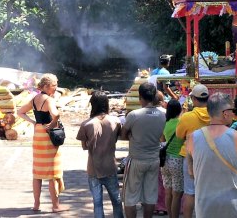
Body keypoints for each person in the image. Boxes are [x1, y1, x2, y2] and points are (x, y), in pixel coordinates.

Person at [186, 93, 237, 217]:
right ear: (225, 113)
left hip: (205, 204)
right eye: (233, 110)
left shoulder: (192, 138)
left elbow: (191, 173)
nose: (234, 114)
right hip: (233, 205)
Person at [17, 73, 66, 213]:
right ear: (46, 86)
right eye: (54, 85)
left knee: (37, 173)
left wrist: (33, 122)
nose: (56, 88)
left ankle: (36, 204)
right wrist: (51, 125)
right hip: (48, 136)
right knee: (52, 173)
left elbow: (20, 112)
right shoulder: (49, 100)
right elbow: (56, 114)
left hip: (38, 134)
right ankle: (56, 206)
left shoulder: (34, 99)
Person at [121, 82, 166, 218]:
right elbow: (161, 137)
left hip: (136, 159)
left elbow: (123, 135)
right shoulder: (162, 114)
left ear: (140, 97)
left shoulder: (134, 115)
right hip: (154, 160)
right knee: (150, 196)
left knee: (130, 197)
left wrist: (132, 136)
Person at [77, 90, 123, 218]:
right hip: (110, 167)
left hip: (93, 168)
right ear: (106, 104)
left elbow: (84, 147)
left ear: (93, 105)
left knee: (97, 203)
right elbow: (120, 136)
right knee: (117, 201)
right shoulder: (115, 121)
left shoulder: (86, 124)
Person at [175, 84, 210, 218]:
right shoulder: (215, 115)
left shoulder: (187, 117)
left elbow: (179, 135)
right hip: (210, 156)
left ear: (194, 100)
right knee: (208, 191)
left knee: (190, 192)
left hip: (190, 157)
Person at [161, 99, 184, 218]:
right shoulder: (181, 123)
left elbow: (162, 140)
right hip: (177, 160)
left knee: (168, 193)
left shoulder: (165, 123)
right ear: (179, 110)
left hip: (165, 161)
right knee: (177, 194)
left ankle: (170, 215)